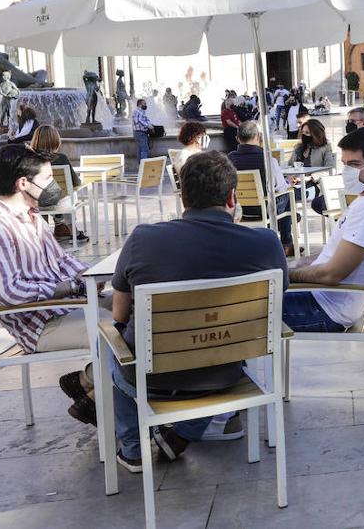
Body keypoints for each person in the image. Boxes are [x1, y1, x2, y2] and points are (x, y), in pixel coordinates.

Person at [106, 150, 289, 471]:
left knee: (106, 339)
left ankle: (133, 448)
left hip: (150, 380)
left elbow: (119, 316)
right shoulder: (266, 243)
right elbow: (275, 306)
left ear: (183, 196)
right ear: (232, 197)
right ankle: (187, 429)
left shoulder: (142, 240)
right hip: (225, 376)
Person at [0, 145, 93, 420]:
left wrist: (93, 278)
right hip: (39, 326)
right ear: (24, 183)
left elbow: (62, 262)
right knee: (118, 331)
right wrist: (70, 287)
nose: (54, 185)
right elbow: (10, 292)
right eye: (47, 178)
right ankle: (119, 417)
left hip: (64, 309)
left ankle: (87, 386)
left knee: (132, 312)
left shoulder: (32, 218)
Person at [285, 127, 364, 333]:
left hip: (324, 309)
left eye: (355, 164)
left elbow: (332, 274)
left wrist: (286, 275)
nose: (347, 171)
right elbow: (332, 255)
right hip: (323, 300)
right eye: (345, 164)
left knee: (235, 310)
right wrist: (293, 265)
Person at [227, 121, 294, 256]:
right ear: (259, 137)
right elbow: (281, 187)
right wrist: (289, 183)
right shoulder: (268, 159)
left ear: (237, 139)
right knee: (287, 195)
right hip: (266, 209)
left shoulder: (229, 159)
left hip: (239, 209)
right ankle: (286, 243)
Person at [30, 124, 86, 240]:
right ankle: (71, 229)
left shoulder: (29, 160)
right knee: (69, 193)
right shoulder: (62, 158)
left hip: (36, 203)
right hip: (60, 204)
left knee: (46, 195)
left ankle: (43, 232)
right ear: (56, 141)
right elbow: (75, 183)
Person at [291, 118, 337, 212]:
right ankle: (292, 218)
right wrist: (291, 177)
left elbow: (331, 170)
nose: (304, 135)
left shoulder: (326, 147)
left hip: (315, 185)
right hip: (296, 184)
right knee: (283, 193)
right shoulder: (299, 148)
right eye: (303, 132)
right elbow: (290, 166)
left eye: (307, 133)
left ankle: (292, 218)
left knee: (288, 195)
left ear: (316, 134)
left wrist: (310, 178)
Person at [128, 98, 151, 163]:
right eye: (144, 104)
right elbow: (139, 121)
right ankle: (144, 166)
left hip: (139, 132)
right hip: (140, 133)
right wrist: (148, 125)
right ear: (140, 104)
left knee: (140, 149)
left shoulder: (141, 111)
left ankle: (141, 165)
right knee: (144, 149)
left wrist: (149, 124)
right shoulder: (137, 111)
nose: (146, 105)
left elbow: (143, 120)